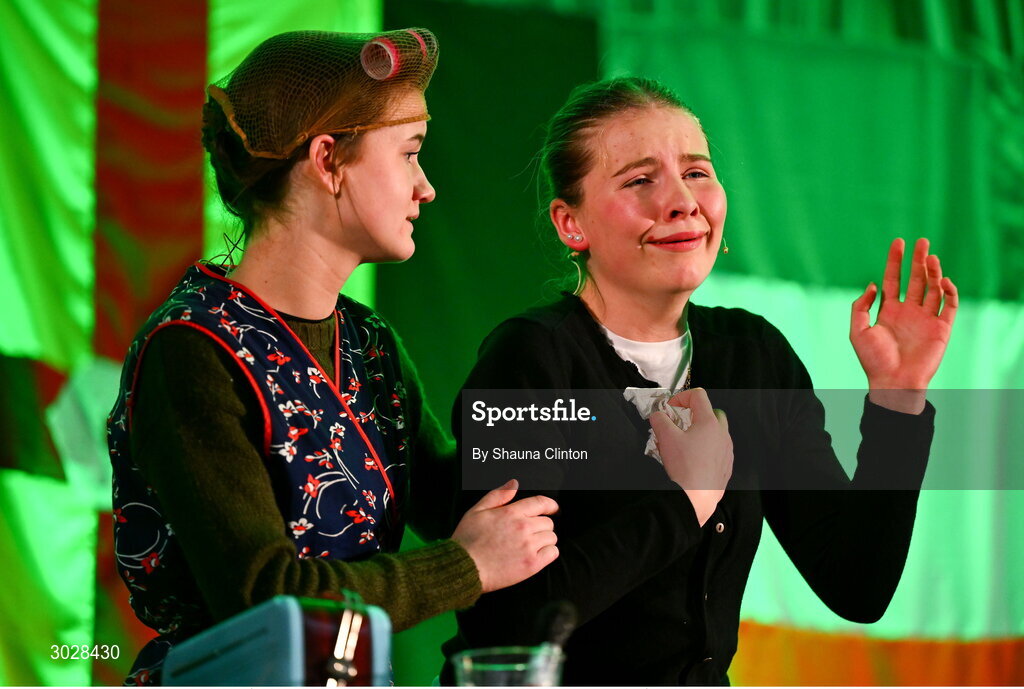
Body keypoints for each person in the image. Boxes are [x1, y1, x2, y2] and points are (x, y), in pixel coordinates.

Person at [442, 77, 958, 685]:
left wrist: (898, 402)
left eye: (696, 173)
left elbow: (857, 586)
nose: (682, 201)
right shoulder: (530, 360)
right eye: (640, 180)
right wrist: (686, 500)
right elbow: (512, 621)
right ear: (570, 223)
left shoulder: (754, 356)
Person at [107, 29, 558, 685]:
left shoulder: (369, 342)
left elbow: (463, 490)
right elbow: (268, 595)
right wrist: (466, 566)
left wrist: (627, 420)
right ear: (328, 160)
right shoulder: (191, 350)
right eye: (409, 154)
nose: (425, 187)